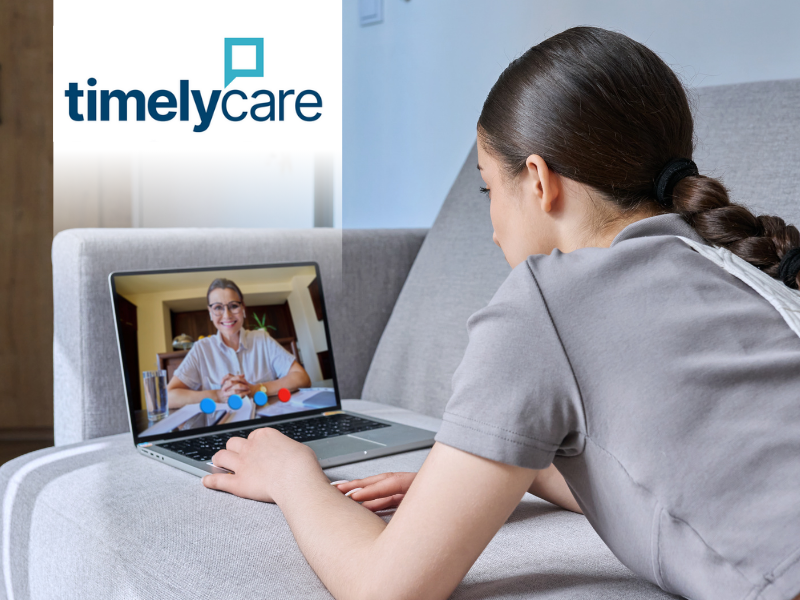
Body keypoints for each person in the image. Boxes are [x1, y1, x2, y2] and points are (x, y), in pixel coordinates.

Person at [200, 28, 800, 600]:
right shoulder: (743, 267)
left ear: (538, 181)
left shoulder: (546, 300)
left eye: (489, 190)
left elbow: (387, 587)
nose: (491, 231)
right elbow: (679, 469)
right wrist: (501, 474)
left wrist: (290, 475)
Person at [167, 278, 311, 409]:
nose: (227, 315)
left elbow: (301, 377)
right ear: (210, 313)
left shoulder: (262, 340)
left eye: (233, 306)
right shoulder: (201, 349)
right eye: (218, 308)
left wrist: (255, 389)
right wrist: (218, 395)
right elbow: (168, 397)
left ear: (243, 309)